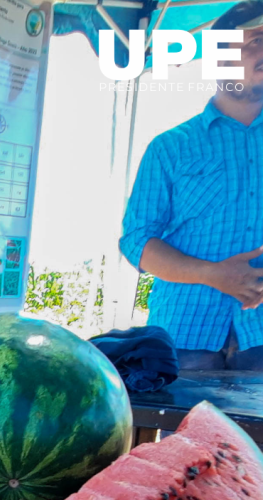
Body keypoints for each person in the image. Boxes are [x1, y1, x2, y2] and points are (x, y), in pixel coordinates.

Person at [120, 1, 263, 370]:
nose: (262, 52)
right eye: (252, 43)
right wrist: (213, 274)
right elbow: (136, 241)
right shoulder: (170, 147)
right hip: (186, 336)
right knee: (186, 429)